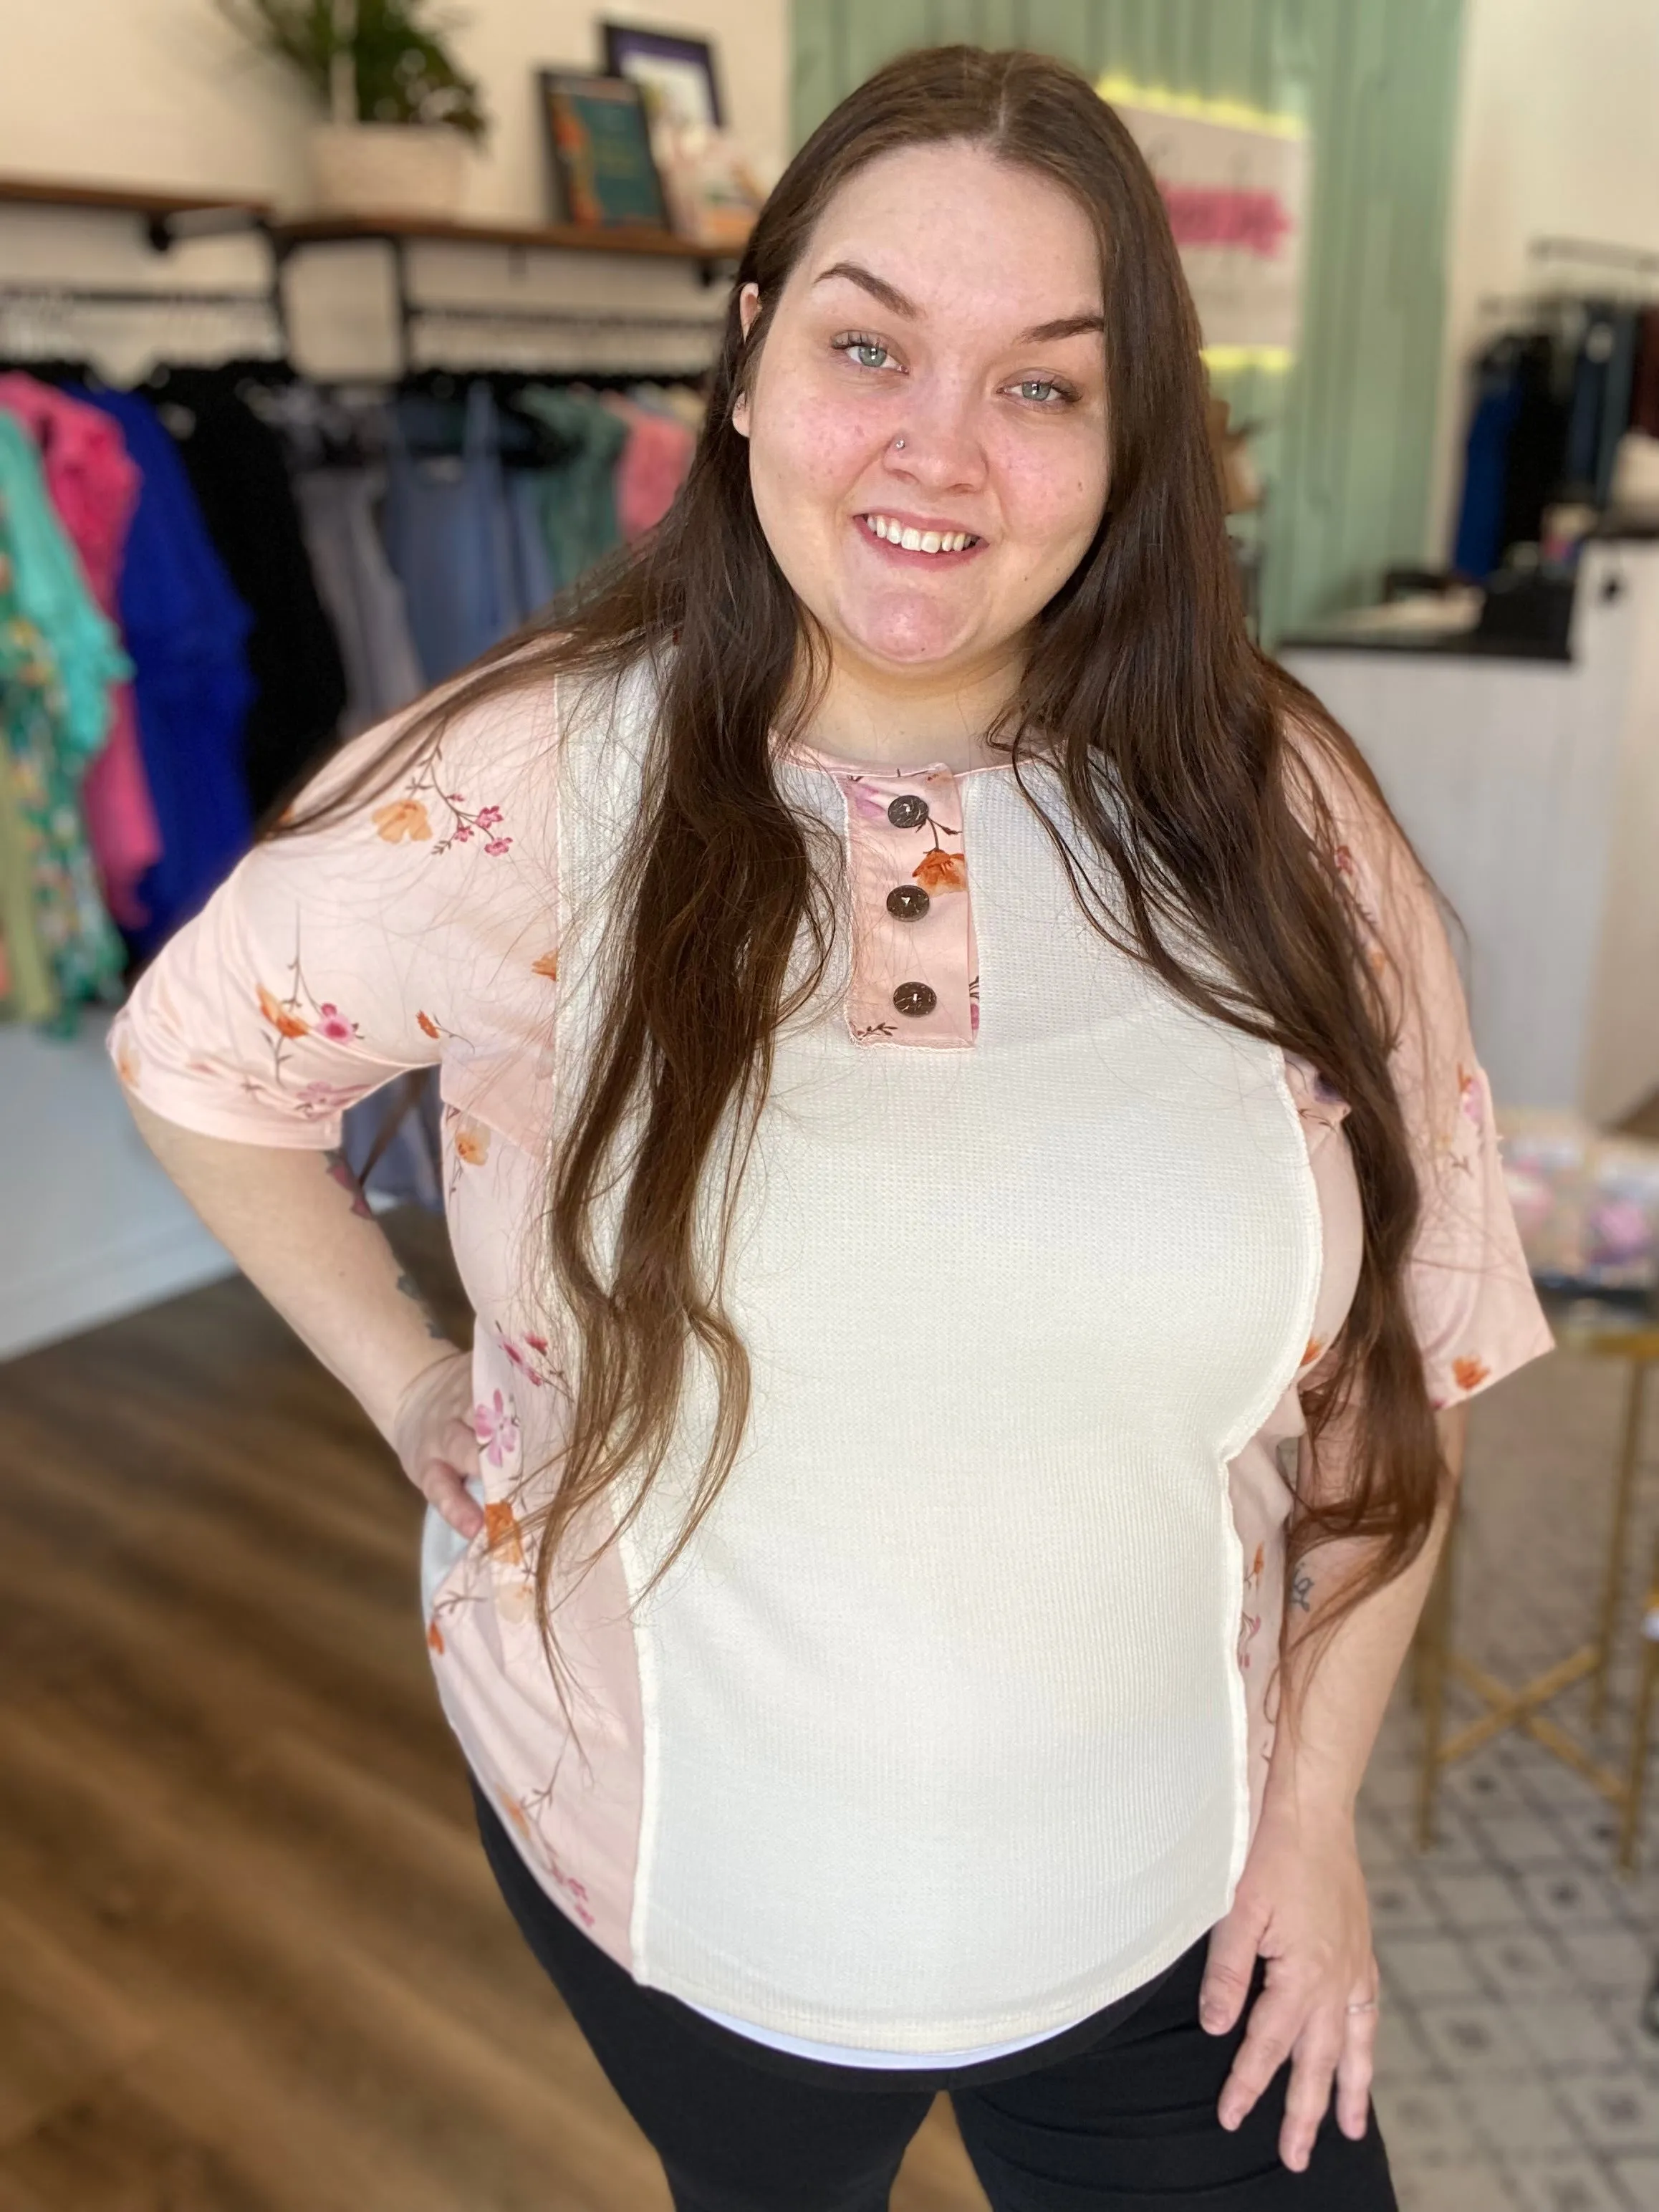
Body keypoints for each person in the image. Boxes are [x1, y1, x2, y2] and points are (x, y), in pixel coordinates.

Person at [109, 44, 1553, 2212]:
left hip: (1183, 1897)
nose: (935, 452)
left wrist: (1316, 1818)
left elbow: (1399, 1366)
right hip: (680, 1902)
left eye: (1042, 386)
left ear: (1128, 435)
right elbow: (199, 1059)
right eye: (867, 345)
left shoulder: (1275, 817)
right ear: (748, 360)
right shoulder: (525, 784)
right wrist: (412, 1376)